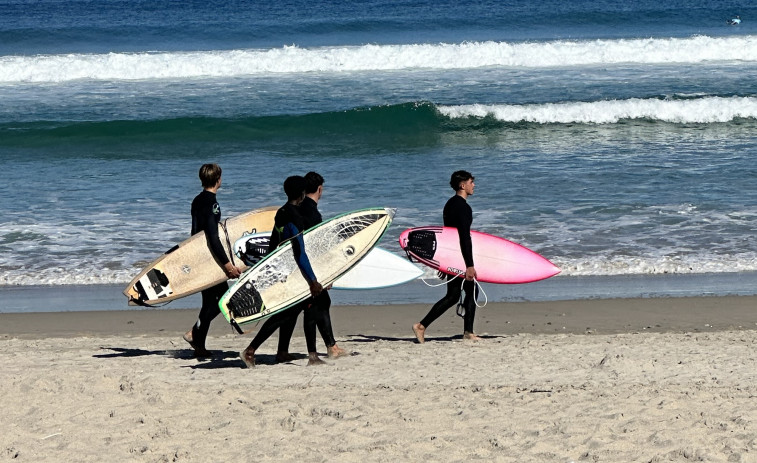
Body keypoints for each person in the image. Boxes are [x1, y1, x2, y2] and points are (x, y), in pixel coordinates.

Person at [240, 175, 324, 368]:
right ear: (303, 194)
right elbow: (299, 252)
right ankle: (251, 351)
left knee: (294, 311)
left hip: (279, 269)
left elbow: (273, 243)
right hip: (292, 272)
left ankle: (285, 352)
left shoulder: (282, 211)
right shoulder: (295, 216)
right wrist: (313, 280)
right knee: (294, 312)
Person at [276, 172, 348, 360]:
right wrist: (323, 276)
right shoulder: (312, 212)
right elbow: (314, 248)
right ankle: (326, 349)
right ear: (320, 189)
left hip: (291, 266)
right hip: (305, 269)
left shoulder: (296, 208)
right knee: (316, 305)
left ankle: (283, 350)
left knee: (295, 310)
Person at [412, 170, 481, 343]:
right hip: (459, 256)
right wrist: (469, 265)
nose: (474, 185)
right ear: (462, 185)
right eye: (471, 182)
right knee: (461, 294)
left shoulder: (449, 204)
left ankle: (467, 331)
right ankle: (423, 325)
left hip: (451, 255)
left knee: (458, 294)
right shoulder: (463, 207)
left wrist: (443, 262)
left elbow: (446, 236)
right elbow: (464, 237)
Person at [183, 163, 242, 357]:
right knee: (222, 300)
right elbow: (212, 236)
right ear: (218, 180)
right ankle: (194, 332)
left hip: (197, 253)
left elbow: (195, 232)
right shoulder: (212, 203)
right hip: (210, 258)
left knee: (209, 301)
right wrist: (227, 265)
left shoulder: (197, 200)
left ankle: (199, 345)